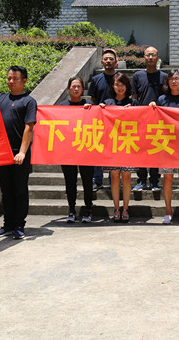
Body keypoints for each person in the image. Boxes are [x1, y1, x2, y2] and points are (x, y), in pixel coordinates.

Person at [0, 66, 37, 240]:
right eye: (9, 78)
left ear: (24, 80)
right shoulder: (0, 98)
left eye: (15, 78)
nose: (11, 81)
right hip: (2, 153)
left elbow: (29, 127)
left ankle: (19, 225)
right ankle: (8, 224)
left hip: (19, 154)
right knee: (6, 190)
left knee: (20, 190)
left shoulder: (29, 101)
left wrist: (22, 152)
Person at [150, 70, 179, 223]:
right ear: (167, 82)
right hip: (166, 144)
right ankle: (168, 211)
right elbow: (155, 119)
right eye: (171, 78)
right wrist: (152, 107)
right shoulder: (162, 99)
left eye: (177, 78)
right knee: (167, 178)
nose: (174, 81)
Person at [57, 77, 93, 223]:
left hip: (86, 149)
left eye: (79, 86)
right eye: (73, 86)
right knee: (70, 182)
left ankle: (88, 209)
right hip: (68, 151)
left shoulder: (89, 105)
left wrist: (93, 110)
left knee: (87, 182)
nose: (76, 89)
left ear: (83, 89)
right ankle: (71, 210)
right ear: (68, 89)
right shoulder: (62, 106)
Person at [100, 73, 135, 222]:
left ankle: (125, 208)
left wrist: (132, 111)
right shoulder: (107, 102)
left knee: (126, 176)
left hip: (128, 144)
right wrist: (99, 109)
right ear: (112, 86)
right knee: (114, 176)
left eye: (122, 84)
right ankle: (116, 208)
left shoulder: (133, 102)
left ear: (127, 86)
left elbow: (142, 120)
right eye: (117, 85)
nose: (120, 88)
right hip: (112, 145)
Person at [131, 46, 167, 191]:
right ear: (144, 57)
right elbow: (134, 97)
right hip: (141, 119)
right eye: (148, 55)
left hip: (158, 120)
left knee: (156, 151)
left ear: (158, 57)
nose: (151, 58)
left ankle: (154, 181)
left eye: (153, 55)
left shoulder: (164, 77)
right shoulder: (137, 76)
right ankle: (141, 180)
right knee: (140, 151)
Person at [88, 49, 118, 192]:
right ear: (101, 62)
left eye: (111, 59)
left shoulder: (120, 78)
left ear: (116, 62)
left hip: (117, 121)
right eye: (106, 59)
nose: (108, 61)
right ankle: (97, 180)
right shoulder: (96, 79)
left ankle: (114, 180)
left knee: (115, 151)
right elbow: (93, 99)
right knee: (98, 150)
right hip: (99, 120)